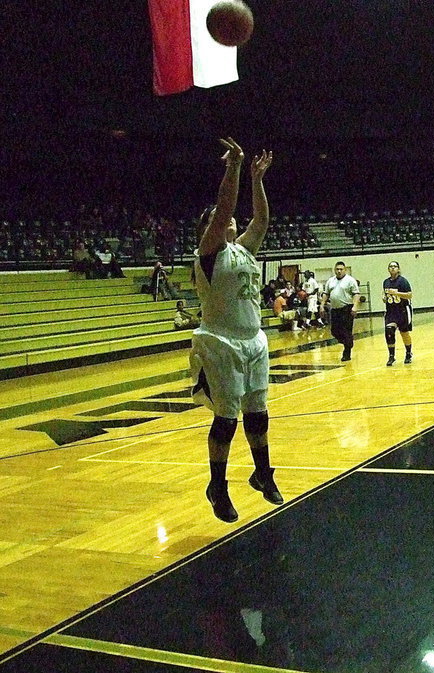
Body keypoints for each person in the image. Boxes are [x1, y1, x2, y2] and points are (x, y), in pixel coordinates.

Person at [189, 137, 282, 523]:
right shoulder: (208, 253)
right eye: (221, 218)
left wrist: (258, 180)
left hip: (253, 339)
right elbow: (226, 206)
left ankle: (262, 473)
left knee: (258, 415)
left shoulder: (243, 249)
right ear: (209, 226)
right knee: (226, 421)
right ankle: (218, 486)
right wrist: (235, 168)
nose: (230, 218)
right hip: (220, 341)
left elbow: (260, 220)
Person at [320, 261, 360, 362]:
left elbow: (356, 294)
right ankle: (348, 342)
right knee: (334, 331)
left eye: (341, 269)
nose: (339, 271)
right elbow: (326, 293)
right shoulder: (330, 281)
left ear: (345, 270)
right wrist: (322, 305)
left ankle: (347, 352)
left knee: (346, 331)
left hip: (346, 308)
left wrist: (355, 306)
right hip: (334, 309)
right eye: (337, 269)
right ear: (334, 270)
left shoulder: (350, 280)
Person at [383, 261, 413, 366]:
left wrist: (397, 293)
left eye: (395, 266)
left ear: (398, 269)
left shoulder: (403, 281)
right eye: (390, 266)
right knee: (389, 331)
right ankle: (391, 356)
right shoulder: (385, 282)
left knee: (404, 333)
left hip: (402, 310)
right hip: (391, 311)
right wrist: (384, 298)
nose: (392, 268)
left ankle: (408, 353)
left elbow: (409, 295)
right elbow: (385, 294)